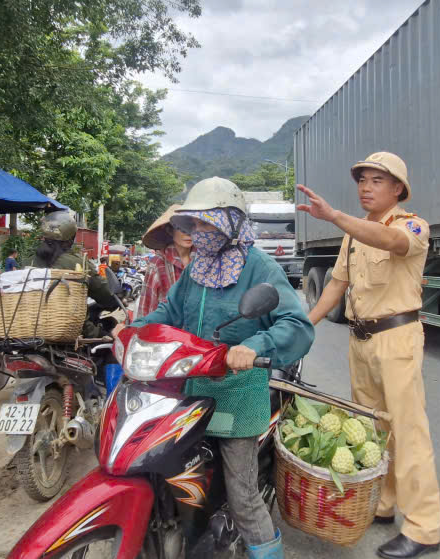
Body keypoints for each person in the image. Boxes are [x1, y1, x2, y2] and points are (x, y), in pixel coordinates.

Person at [123, 178, 314, 559]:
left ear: (231, 222)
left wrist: (253, 345)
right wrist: (134, 329)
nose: (200, 233)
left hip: (238, 395)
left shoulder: (259, 267)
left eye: (208, 224)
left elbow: (297, 326)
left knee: (242, 497)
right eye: (196, 225)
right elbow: (170, 313)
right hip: (192, 392)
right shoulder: (197, 269)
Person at [300, 152, 440, 558]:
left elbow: (390, 241)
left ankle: (424, 528)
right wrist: (304, 325)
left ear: (398, 188)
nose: (365, 186)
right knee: (372, 429)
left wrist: (334, 216)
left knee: (409, 433)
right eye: (362, 179)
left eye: (377, 180)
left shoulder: (412, 226)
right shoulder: (353, 236)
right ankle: (382, 505)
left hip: (397, 339)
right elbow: (335, 287)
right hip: (360, 342)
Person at [30, 210, 121, 333]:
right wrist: (116, 299)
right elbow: (104, 294)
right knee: (111, 331)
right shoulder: (78, 263)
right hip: (70, 329)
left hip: (30, 326)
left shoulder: (28, 261)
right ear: (71, 239)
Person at [132, 204, 191, 321]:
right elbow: (147, 308)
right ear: (170, 230)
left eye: (191, 227)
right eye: (180, 227)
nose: (187, 233)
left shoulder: (203, 260)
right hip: (166, 333)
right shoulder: (158, 264)